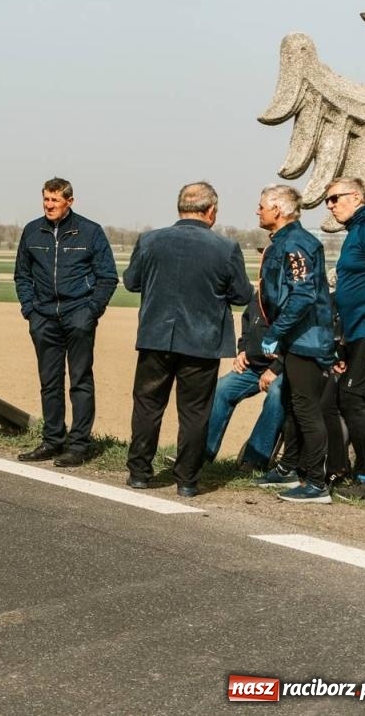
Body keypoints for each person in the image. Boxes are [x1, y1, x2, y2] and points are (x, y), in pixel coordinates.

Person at [120, 182, 252, 497]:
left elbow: (131, 281)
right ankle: (187, 480)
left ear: (180, 207)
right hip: (202, 341)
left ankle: (139, 471)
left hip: (155, 337)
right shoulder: (225, 248)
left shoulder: (150, 240)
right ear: (211, 211)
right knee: (194, 412)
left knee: (148, 405)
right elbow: (242, 294)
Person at [13, 177, 118, 468]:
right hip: (43, 317)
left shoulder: (90, 232)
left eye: (55, 200)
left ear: (69, 201)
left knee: (80, 381)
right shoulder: (32, 231)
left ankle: (79, 444)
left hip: (78, 315)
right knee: (50, 382)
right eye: (46, 199)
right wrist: (30, 311)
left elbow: (108, 277)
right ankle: (52, 439)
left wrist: (91, 311)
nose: (49, 205)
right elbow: (22, 275)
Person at [244, 185, 338, 504]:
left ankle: (316, 482)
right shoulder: (285, 240)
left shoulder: (297, 242)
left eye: (262, 206)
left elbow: (303, 294)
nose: (257, 211)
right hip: (295, 338)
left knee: (305, 408)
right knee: (290, 402)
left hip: (307, 339)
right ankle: (288, 468)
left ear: (279, 210)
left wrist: (275, 333)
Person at [323, 177, 365, 500]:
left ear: (356, 197)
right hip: (357, 333)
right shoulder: (355, 233)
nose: (330, 205)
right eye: (328, 200)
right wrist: (343, 342)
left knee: (351, 399)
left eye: (335, 198)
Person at [204, 266, 286, 473]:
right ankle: (202, 453)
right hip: (253, 365)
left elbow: (296, 339)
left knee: (277, 395)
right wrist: (242, 351)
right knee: (222, 389)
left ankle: (254, 460)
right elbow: (247, 323)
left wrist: (275, 369)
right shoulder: (259, 294)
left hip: (282, 368)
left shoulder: (292, 295)